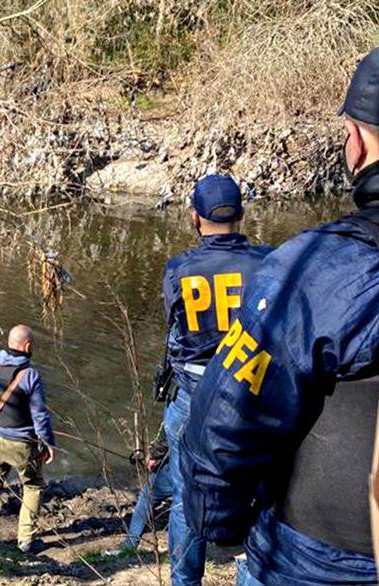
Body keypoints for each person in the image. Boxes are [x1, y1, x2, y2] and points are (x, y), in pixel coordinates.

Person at [181, 47, 379, 585]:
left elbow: (226, 419)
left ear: (355, 143)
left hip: (322, 557)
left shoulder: (312, 271)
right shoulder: (266, 260)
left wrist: (221, 521)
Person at [161, 174, 272, 585]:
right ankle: (250, 575)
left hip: (193, 394)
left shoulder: (179, 269)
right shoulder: (269, 261)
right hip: (251, 394)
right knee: (261, 495)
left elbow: (175, 333)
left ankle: (185, 580)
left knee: (185, 495)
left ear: (195, 218)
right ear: (241, 214)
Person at [0, 324, 56, 554]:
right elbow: (40, 416)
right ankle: (26, 540)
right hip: (21, 445)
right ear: (27, 346)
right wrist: (47, 443)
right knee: (33, 486)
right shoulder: (30, 376)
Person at [115, 429, 172, 552]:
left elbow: (171, 429)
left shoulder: (181, 410)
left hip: (175, 469)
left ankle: (131, 544)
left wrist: (154, 454)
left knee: (146, 499)